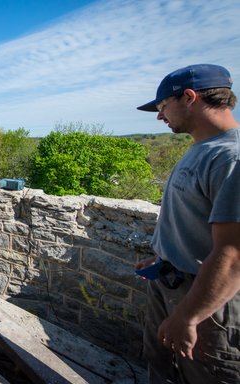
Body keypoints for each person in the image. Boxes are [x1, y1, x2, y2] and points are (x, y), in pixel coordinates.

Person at [135, 64, 240, 383]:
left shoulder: (230, 158)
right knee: (160, 364)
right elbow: (196, 219)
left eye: (162, 106)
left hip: (204, 300)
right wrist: (166, 255)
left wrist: (189, 315)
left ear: (190, 97)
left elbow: (233, 254)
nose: (159, 116)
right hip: (171, 282)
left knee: (205, 374)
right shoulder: (201, 149)